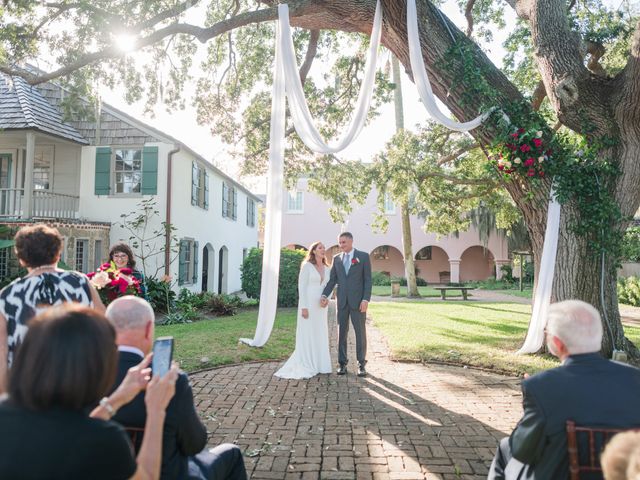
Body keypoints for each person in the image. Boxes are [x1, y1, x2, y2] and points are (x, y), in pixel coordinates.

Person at [0, 304, 178, 479]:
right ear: (96, 367)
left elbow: (68, 438)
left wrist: (118, 398)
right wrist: (156, 410)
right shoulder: (104, 439)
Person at [488, 300, 640, 480]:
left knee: (506, 448)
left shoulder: (541, 387)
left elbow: (522, 451)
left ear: (557, 343)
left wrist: (534, 404)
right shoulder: (635, 379)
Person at [105, 296, 247, 480]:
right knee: (232, 453)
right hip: (168, 474)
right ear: (149, 329)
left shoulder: (86, 376)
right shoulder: (170, 380)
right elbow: (194, 444)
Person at [0, 224, 104, 393]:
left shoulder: (8, 294)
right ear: (58, 253)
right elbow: (104, 327)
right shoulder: (80, 282)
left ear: (21, 258)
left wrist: (5, 398)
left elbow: (2, 351)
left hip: (26, 387)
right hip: (76, 382)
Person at [275, 241, 332, 379]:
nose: (323, 249)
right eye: (320, 247)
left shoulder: (327, 267)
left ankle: (320, 364)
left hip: (321, 306)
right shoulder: (307, 266)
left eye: (324, 247)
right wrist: (304, 307)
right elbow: (302, 287)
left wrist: (327, 299)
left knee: (320, 332)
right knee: (308, 332)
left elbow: (329, 285)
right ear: (313, 251)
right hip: (309, 304)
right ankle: (307, 362)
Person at [321, 232, 372, 377]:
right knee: (341, 333)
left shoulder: (363, 257)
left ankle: (361, 364)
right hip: (342, 302)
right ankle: (342, 364)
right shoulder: (336, 259)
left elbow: (368, 280)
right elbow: (332, 280)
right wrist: (325, 294)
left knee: (360, 333)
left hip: (358, 302)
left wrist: (365, 299)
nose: (341, 245)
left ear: (351, 241)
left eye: (343, 242)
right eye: (339, 242)